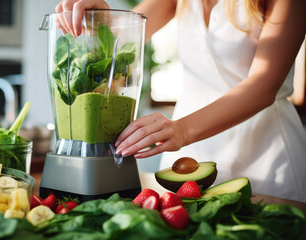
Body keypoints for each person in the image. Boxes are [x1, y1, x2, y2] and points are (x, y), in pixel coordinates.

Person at [55, 0, 306, 202]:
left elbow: (264, 86)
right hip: (189, 154)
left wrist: (181, 130)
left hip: (265, 154)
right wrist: (101, 18)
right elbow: (122, 35)